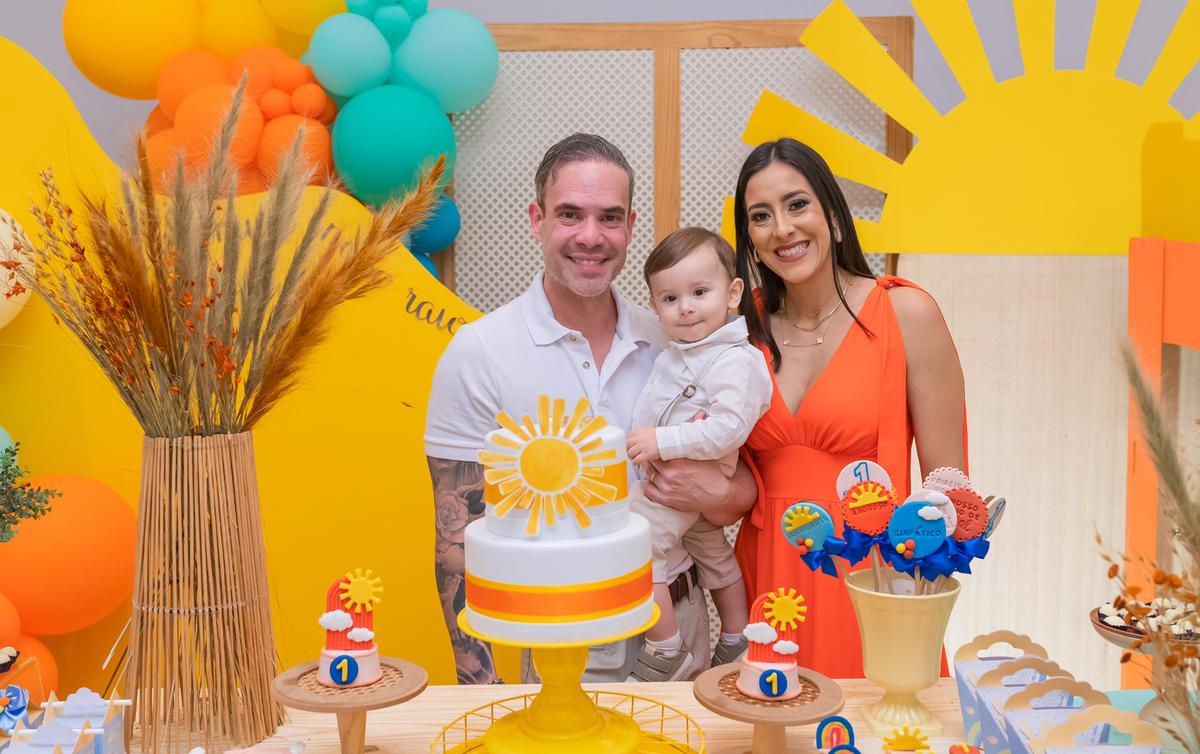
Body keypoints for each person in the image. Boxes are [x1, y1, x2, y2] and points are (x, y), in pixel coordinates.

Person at [424, 133, 757, 684]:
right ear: (537, 219)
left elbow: (741, 485)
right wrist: (476, 686)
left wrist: (721, 494)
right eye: (569, 214)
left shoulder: (675, 341)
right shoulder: (479, 352)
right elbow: (453, 541)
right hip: (558, 637)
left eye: (609, 217)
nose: (590, 236)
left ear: (630, 225)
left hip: (682, 623)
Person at [729, 138, 968, 678]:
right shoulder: (744, 331)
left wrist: (916, 605)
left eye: (797, 204)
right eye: (760, 216)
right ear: (751, 240)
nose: (782, 229)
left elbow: (948, 486)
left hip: (868, 579)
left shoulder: (906, 312)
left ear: (834, 217)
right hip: (763, 578)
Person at [624, 227, 771, 681]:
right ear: (654, 306)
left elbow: (730, 428)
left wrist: (661, 442)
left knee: (637, 546)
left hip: (689, 472)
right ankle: (737, 635)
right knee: (711, 550)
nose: (685, 307)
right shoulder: (681, 352)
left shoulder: (736, 360)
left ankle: (666, 648)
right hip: (679, 476)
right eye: (669, 299)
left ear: (733, 294)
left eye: (699, 292)